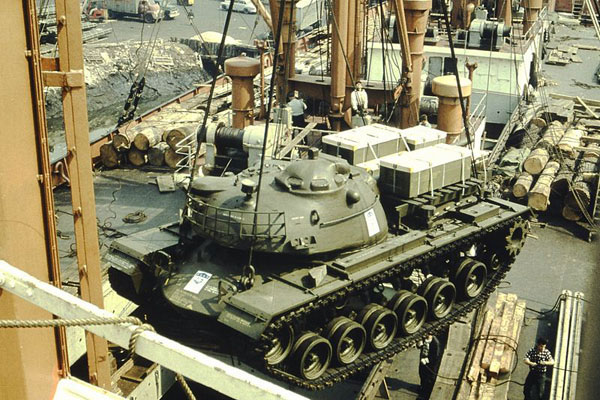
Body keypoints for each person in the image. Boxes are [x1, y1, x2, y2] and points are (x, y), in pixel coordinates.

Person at [418, 334, 440, 399]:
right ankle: (422, 387)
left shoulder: (435, 343)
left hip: (431, 364)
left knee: (429, 378)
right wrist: (419, 345)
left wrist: (427, 360)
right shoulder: (424, 339)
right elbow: (421, 348)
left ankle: (426, 393)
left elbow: (436, 356)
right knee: (421, 373)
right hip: (423, 360)